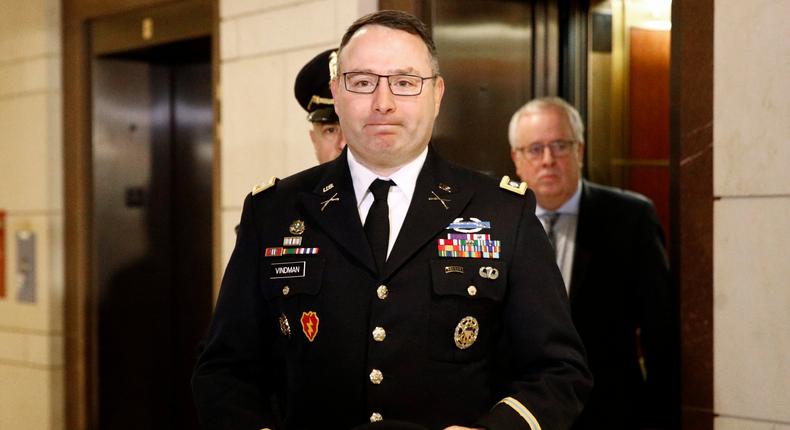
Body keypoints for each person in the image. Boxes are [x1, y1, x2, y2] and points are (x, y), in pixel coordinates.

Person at [193, 11, 591, 430]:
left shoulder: (503, 212)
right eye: (363, 82)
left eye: (404, 82)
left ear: (436, 94)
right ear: (337, 91)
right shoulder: (274, 212)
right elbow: (223, 369)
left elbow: (559, 370)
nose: (383, 103)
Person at [508, 97, 680, 429]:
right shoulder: (495, 221)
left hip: (611, 411)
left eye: (560, 145)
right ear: (516, 159)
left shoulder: (630, 218)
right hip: (523, 413)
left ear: (580, 151)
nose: (547, 160)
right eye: (534, 149)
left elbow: (662, 334)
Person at [294, 48, 346, 163]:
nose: (343, 144)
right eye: (330, 130)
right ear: (313, 138)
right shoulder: (293, 182)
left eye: (351, 129)